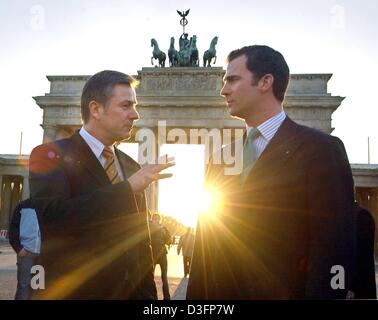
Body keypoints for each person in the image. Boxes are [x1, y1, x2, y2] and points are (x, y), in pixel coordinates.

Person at [187, 45, 356, 299]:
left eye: (232, 80)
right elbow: (204, 250)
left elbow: (334, 247)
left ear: (265, 81)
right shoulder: (220, 158)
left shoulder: (322, 150)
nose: (223, 91)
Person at [28, 70, 175, 299]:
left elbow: (140, 245)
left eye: (135, 106)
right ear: (96, 109)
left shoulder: (131, 166)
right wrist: (127, 190)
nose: (135, 115)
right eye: (126, 106)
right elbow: (53, 219)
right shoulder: (48, 154)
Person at [8, 199, 41, 300]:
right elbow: (13, 227)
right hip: (26, 253)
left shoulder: (47, 204)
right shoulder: (22, 205)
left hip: (42, 253)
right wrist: (19, 248)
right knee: (23, 286)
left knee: (39, 286)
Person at [150, 213, 171, 300]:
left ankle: (152, 296)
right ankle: (167, 297)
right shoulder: (164, 229)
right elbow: (169, 241)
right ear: (160, 220)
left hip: (152, 255)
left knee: (151, 276)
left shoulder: (149, 228)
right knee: (164, 277)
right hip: (162, 254)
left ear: (152, 219)